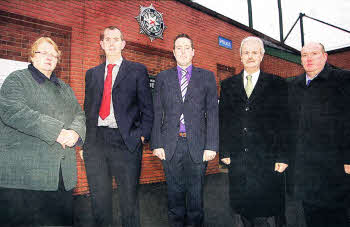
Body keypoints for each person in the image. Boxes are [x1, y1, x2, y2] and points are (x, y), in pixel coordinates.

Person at [0, 37, 86, 226]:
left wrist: (75, 133)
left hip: (61, 177)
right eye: (43, 52)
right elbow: (12, 111)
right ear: (32, 56)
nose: (49, 57)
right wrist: (57, 132)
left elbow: (79, 114)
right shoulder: (17, 79)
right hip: (26, 179)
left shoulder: (64, 88)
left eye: (54, 54)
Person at [83, 26, 153, 227]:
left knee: (128, 202)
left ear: (123, 44)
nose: (112, 43)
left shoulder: (137, 70)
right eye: (107, 39)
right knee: (99, 200)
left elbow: (147, 108)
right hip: (96, 143)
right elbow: (88, 111)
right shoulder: (92, 74)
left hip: (126, 141)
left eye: (116, 39)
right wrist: (86, 143)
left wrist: (140, 136)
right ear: (102, 44)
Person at [219, 36, 289, 227]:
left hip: (267, 160)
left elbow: (284, 122)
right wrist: (224, 151)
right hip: (238, 159)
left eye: (255, 52)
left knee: (267, 213)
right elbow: (223, 120)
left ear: (262, 55)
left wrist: (283, 157)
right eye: (246, 52)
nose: (250, 56)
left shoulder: (278, 84)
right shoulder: (227, 85)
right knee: (243, 211)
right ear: (240, 56)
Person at [151, 33, 219, 227]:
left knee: (196, 196)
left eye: (186, 47)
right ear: (173, 52)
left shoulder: (206, 77)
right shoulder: (163, 77)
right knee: (174, 195)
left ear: (193, 52)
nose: (182, 51)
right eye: (178, 48)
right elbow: (157, 111)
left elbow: (213, 112)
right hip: (170, 144)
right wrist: (156, 143)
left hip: (197, 145)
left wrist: (211, 146)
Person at [288, 42, 350, 227]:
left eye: (314, 53)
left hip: (335, 167)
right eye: (304, 55)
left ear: (325, 56)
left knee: (337, 217)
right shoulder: (294, 85)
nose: (309, 58)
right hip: (305, 170)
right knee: (312, 217)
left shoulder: (343, 79)